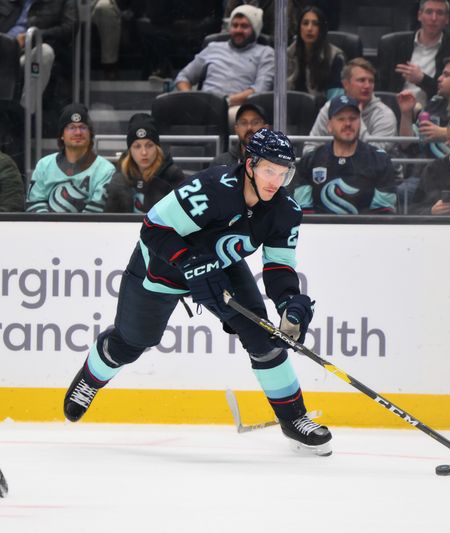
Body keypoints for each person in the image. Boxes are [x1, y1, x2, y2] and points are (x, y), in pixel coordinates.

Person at [62, 128, 333, 456]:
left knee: (263, 336)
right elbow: (153, 228)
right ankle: (91, 377)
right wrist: (190, 262)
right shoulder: (212, 187)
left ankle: (294, 418)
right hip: (163, 265)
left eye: (283, 172)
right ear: (250, 165)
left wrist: (290, 301)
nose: (275, 180)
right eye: (268, 170)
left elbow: (279, 267)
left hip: (218, 265)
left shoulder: (286, 210)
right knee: (131, 344)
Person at [291, 95, 396, 214]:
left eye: (353, 118)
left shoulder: (380, 160)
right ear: (329, 126)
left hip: (366, 231)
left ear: (360, 123)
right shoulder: (310, 161)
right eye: (341, 119)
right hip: (321, 231)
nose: (347, 123)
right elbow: (304, 213)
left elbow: (383, 214)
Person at [173, 4, 274, 107]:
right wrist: (191, 98)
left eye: (244, 26)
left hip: (240, 109)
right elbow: (183, 77)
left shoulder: (266, 53)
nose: (238, 30)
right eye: (235, 25)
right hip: (203, 106)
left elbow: (260, 89)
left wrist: (225, 102)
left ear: (255, 29)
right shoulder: (213, 48)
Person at [26, 103, 115, 213]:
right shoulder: (44, 165)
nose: (78, 132)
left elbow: (95, 213)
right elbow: (34, 204)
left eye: (83, 127)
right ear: (62, 135)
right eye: (71, 127)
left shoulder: (106, 170)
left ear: (90, 134)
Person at [303, 58, 397, 156]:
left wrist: (357, 119)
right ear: (346, 84)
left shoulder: (384, 114)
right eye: (361, 80)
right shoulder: (330, 108)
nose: (367, 86)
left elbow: (377, 157)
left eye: (371, 81)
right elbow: (309, 148)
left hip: (371, 170)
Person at [398, 54, 450, 160]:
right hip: (428, 171)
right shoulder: (435, 103)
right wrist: (406, 114)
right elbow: (407, 145)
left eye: (446, 75)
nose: (439, 79)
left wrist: (444, 133)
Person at [377, 0, 450, 104]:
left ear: (447, 19)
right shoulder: (394, 45)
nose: (433, 18)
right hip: (395, 110)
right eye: (429, 12)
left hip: (435, 111)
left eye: (440, 13)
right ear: (419, 15)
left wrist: (422, 80)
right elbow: (381, 87)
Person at [104, 113, 185, 214]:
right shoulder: (119, 179)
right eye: (137, 146)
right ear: (129, 150)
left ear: (157, 148)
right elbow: (109, 221)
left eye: (149, 145)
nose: (144, 152)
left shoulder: (172, 176)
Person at [1, 0, 77, 100]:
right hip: (4, 47)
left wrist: (34, 36)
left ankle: (27, 108)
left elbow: (69, 29)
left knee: (44, 53)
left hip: (32, 49)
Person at [138, 0, 223, 80]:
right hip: (169, 27)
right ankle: (159, 70)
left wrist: (193, 25)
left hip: (199, 28)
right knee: (153, 36)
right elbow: (156, 15)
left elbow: (216, 16)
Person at [287, 6, 345, 101]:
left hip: (321, 112)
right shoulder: (288, 55)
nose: (309, 28)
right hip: (290, 112)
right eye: (305, 23)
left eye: (315, 24)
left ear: (321, 29)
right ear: (299, 28)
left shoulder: (335, 58)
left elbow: (335, 100)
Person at [211, 102, 269, 168]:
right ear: (236, 129)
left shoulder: (276, 161)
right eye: (243, 123)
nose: (249, 127)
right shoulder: (221, 163)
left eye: (255, 122)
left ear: (266, 128)